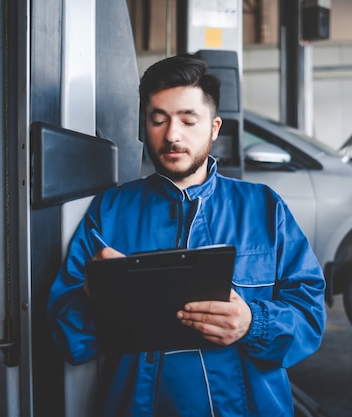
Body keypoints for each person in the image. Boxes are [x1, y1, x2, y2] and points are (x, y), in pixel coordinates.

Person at [47, 53, 326, 417]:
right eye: (158, 120)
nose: (172, 135)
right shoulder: (110, 212)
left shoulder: (263, 209)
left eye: (188, 120)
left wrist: (252, 323)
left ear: (214, 127)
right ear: (143, 127)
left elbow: (309, 317)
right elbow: (67, 338)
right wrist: (94, 293)